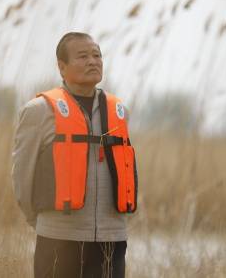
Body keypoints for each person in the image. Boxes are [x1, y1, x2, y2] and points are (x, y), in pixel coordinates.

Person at [12, 32, 138, 278]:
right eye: (82, 56)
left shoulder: (120, 111)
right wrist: (38, 222)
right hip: (59, 236)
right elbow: (22, 176)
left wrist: (119, 225)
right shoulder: (39, 111)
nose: (93, 61)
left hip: (112, 240)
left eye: (97, 55)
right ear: (61, 67)